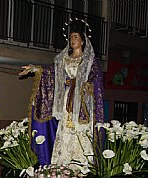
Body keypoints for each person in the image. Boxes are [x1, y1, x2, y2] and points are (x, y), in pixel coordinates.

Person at [20, 20, 104, 167]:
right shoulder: (63, 59)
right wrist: (35, 69)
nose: (72, 40)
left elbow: (96, 78)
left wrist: (87, 85)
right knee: (65, 129)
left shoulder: (90, 61)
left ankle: (82, 166)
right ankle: (62, 166)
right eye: (71, 37)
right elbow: (50, 72)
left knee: (80, 132)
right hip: (67, 99)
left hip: (82, 102)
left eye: (76, 37)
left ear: (83, 40)